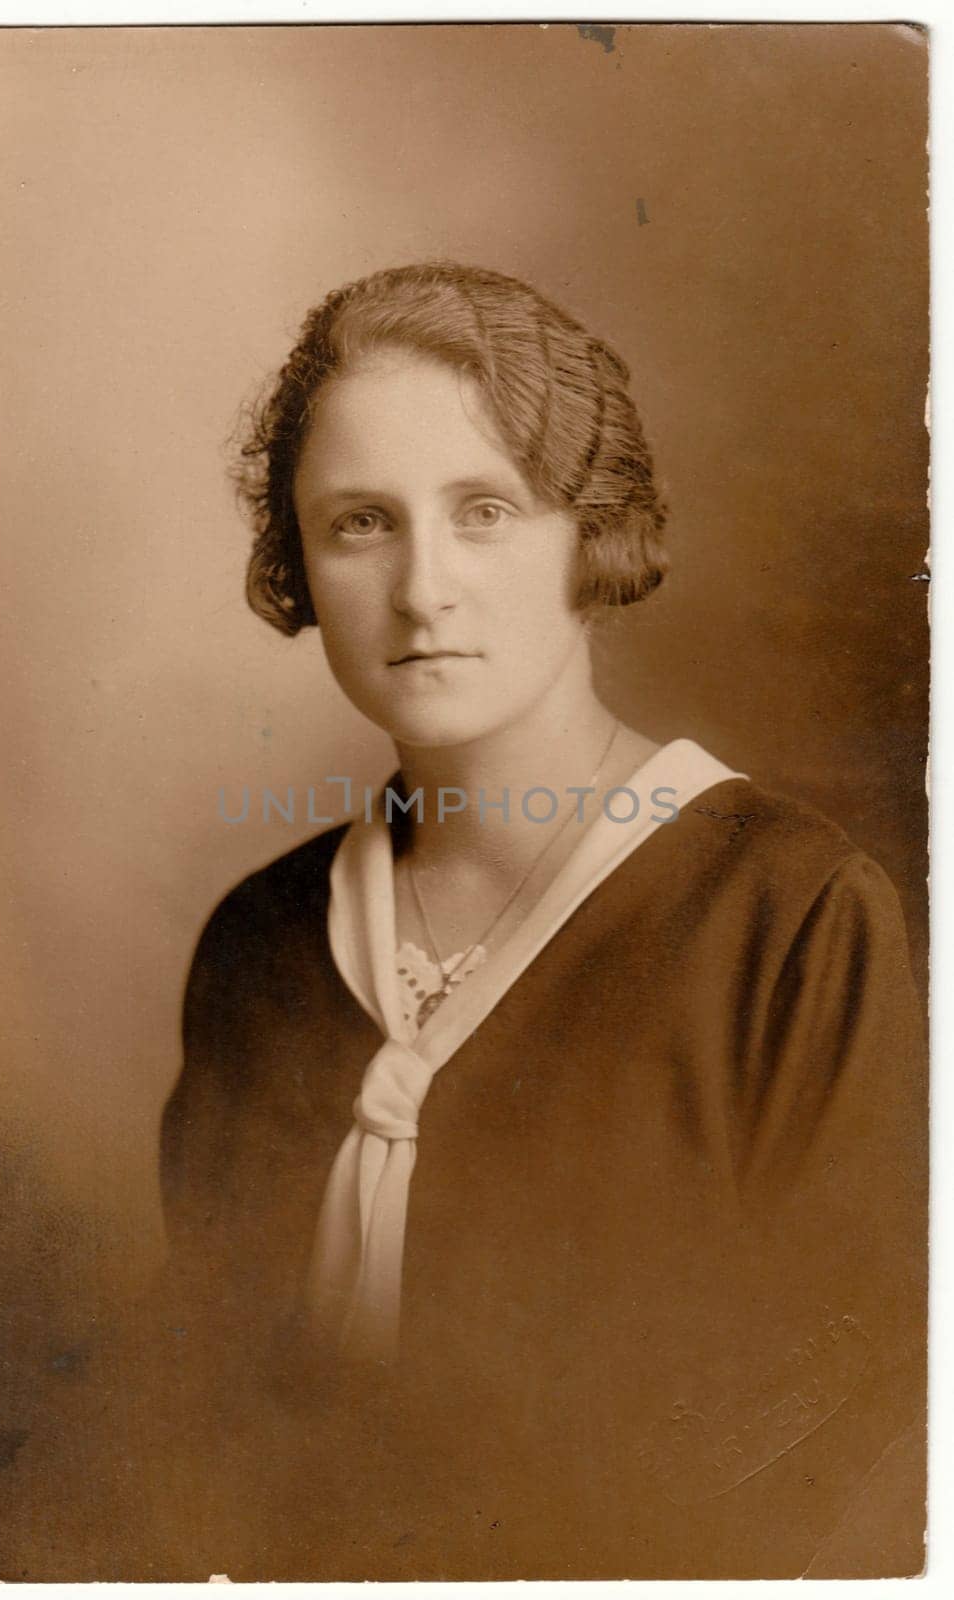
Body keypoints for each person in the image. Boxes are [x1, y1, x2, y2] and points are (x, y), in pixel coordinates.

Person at [157, 263, 927, 1579]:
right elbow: (202, 1438)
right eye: (359, 523)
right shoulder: (261, 944)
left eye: (483, 512)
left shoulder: (785, 919)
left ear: (592, 537)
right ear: (296, 558)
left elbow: (852, 1464)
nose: (422, 590)